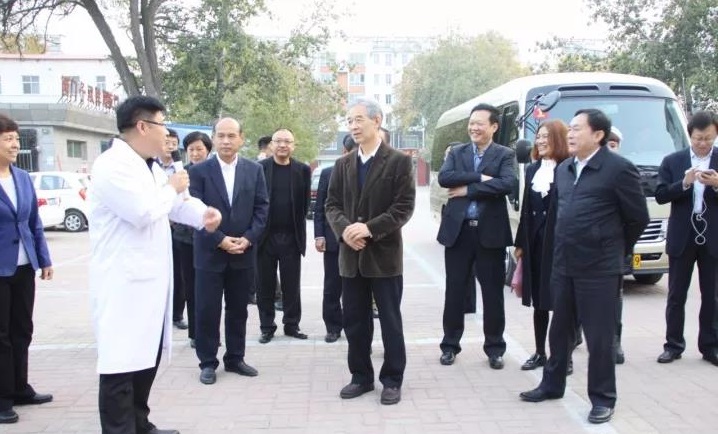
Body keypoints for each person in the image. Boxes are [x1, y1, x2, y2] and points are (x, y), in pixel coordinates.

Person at [89, 96, 222, 434]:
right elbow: (143, 210)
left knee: (145, 359)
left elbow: (177, 205)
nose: (167, 133)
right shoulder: (111, 165)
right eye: (162, 125)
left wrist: (203, 215)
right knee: (120, 364)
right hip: (123, 283)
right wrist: (172, 187)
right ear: (142, 126)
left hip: (149, 283)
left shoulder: (149, 165)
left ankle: (140, 423)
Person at [519, 109, 649, 425]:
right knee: (559, 330)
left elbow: (637, 218)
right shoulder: (565, 169)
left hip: (600, 268)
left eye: (577, 129)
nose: (571, 134)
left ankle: (602, 399)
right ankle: (552, 385)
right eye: (570, 129)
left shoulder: (618, 169)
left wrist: (612, 248)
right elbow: (559, 215)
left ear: (598, 135)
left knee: (599, 337)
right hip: (564, 263)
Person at [325, 98, 415, 405]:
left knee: (390, 320)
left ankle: (392, 379)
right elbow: (331, 205)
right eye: (349, 120)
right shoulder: (343, 164)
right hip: (351, 256)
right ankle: (361, 377)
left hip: (384, 255)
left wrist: (369, 228)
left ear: (377, 121)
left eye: (359, 119)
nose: (353, 126)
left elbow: (403, 207)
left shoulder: (399, 161)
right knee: (355, 321)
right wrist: (346, 231)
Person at [436, 103, 517, 369]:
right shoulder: (457, 152)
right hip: (458, 234)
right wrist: (481, 177)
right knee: (455, 291)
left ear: (494, 126)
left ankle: (494, 348)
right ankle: (450, 346)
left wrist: (468, 190)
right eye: (471, 123)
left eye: (480, 123)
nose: (474, 128)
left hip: (490, 234)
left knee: (493, 293)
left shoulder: (505, 154)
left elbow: (507, 184)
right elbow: (445, 178)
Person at [189, 118, 269, 385]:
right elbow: (193, 212)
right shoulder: (199, 171)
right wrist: (220, 239)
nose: (226, 141)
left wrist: (248, 238)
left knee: (238, 310)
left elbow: (262, 208)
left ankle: (235, 357)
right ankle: (207, 362)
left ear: (241, 139)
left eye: (231, 136)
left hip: (243, 252)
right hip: (209, 253)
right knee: (207, 310)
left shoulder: (254, 170)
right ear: (214, 138)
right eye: (221, 136)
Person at [0, 113, 54, 425]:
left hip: (23, 267)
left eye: (16, 139)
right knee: (1, 336)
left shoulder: (21, 177)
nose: (14, 145)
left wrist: (43, 259)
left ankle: (20, 388)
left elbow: (34, 222)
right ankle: (3, 398)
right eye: (8, 139)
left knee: (22, 330)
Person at [655, 110, 718, 367]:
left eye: (708, 138)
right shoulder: (673, 161)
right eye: (698, 138)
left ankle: (710, 346)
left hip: (712, 237)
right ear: (690, 135)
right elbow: (660, 195)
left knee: (712, 295)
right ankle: (673, 345)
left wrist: (717, 185)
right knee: (676, 294)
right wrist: (684, 183)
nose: (703, 143)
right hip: (682, 236)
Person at [514, 119, 570, 371]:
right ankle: (539, 352)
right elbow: (526, 207)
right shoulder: (532, 169)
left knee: (561, 301)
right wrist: (520, 243)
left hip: (558, 245)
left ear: (558, 139)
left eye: (547, 136)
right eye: (539, 136)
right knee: (539, 301)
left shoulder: (569, 168)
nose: (541, 141)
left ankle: (564, 355)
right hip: (535, 243)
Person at [257, 128, 311, 343]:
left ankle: (292, 325)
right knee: (265, 286)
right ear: (271, 144)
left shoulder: (302, 170)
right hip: (265, 237)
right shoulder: (259, 168)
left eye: (287, 141)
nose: (282, 145)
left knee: (292, 285)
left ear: (293, 145)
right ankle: (267, 327)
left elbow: (304, 205)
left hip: (291, 236)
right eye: (278, 141)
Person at [171, 131, 213, 348]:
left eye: (200, 149)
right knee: (191, 287)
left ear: (208, 150)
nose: (195, 154)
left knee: (210, 289)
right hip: (185, 240)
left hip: (211, 238)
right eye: (191, 150)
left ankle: (210, 332)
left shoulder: (215, 172)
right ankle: (196, 334)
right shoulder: (181, 174)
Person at [315, 135, 357, 343]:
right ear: (344, 151)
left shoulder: (369, 172)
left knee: (355, 289)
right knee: (332, 286)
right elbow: (320, 207)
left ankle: (354, 327)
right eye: (353, 152)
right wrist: (319, 235)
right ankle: (332, 327)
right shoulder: (328, 173)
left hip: (358, 240)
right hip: (333, 240)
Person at [606, 126, 627, 364]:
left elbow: (636, 216)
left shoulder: (624, 171)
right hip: (583, 250)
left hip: (615, 248)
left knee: (615, 298)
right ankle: (577, 333)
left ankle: (615, 341)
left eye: (614, 145)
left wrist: (623, 243)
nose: (610, 149)